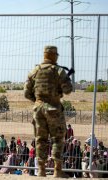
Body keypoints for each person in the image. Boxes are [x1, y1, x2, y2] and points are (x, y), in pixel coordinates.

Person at [24, 45, 73, 177]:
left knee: (40, 139)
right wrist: (62, 86)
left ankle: (41, 170)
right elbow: (68, 90)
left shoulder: (35, 71)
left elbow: (26, 93)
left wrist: (38, 100)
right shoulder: (58, 71)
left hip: (38, 109)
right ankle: (57, 170)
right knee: (57, 138)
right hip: (53, 108)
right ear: (54, 55)